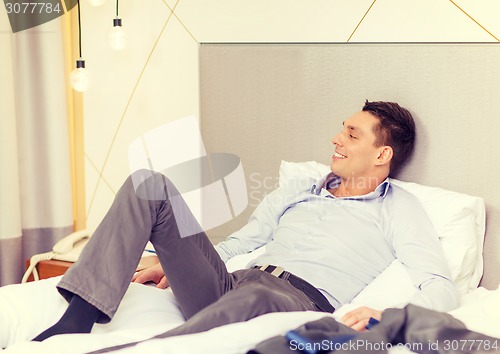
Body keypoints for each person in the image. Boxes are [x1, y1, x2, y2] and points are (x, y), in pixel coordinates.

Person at [33, 101, 459, 346]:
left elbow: (440, 285)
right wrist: (176, 261)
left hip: (296, 301)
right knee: (150, 184)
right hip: (234, 282)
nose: (336, 139)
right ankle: (78, 318)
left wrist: (388, 315)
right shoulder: (299, 189)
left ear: (382, 155)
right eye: (341, 130)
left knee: (249, 301)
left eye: (351, 134)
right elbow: (242, 243)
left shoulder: (398, 208)